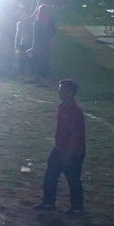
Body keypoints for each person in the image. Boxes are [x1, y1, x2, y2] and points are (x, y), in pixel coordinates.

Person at [35, 78, 86, 212]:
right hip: (61, 148)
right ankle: (48, 202)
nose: (58, 91)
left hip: (73, 152)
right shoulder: (62, 107)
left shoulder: (74, 111)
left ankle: (76, 208)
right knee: (51, 174)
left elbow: (75, 135)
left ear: (70, 92)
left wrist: (68, 155)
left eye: (61, 89)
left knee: (73, 179)